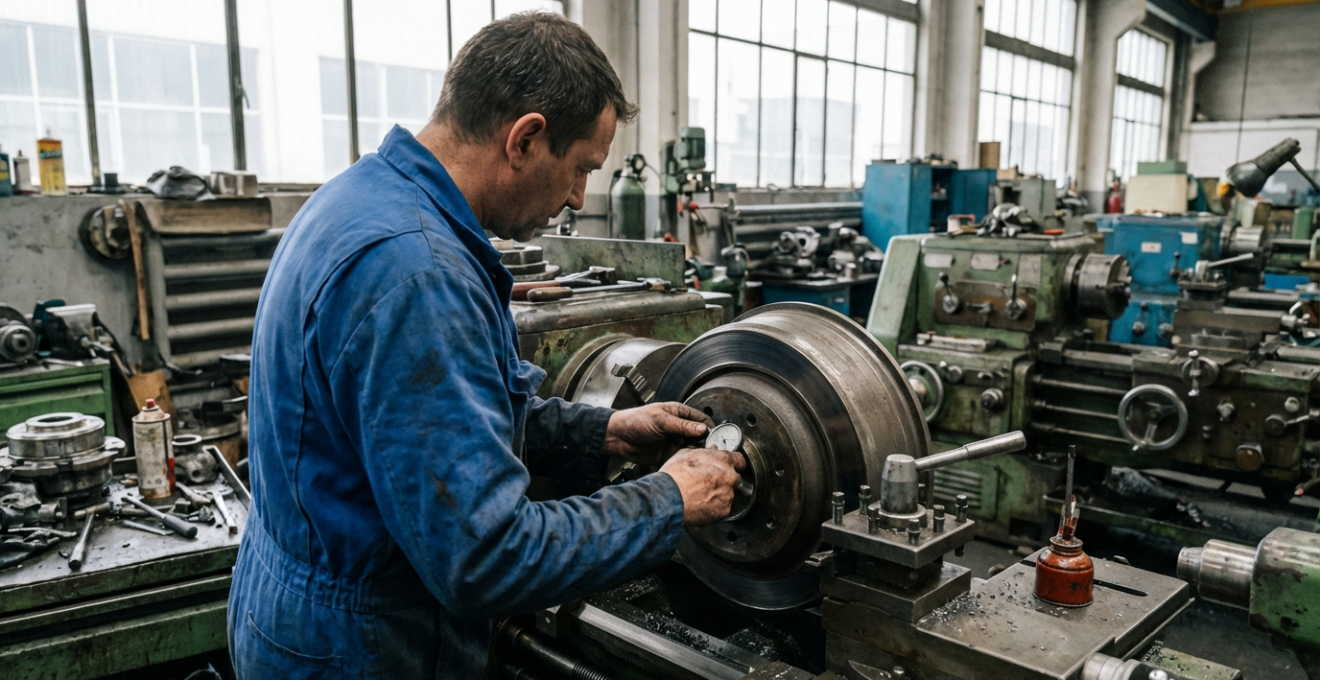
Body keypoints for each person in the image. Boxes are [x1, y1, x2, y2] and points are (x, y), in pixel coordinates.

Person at [227, 11, 745, 679]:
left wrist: (604, 432)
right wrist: (666, 501)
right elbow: (485, 557)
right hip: (364, 650)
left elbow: (436, 427)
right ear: (526, 138)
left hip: (297, 613)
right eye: (581, 168)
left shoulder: (360, 198)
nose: (577, 198)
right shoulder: (420, 273)